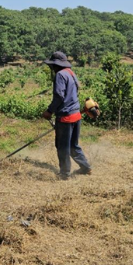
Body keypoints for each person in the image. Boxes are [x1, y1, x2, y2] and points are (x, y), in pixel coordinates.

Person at [40, 51, 91, 180]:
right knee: (73, 145)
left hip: (65, 117)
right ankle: (85, 167)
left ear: (56, 65)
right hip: (76, 115)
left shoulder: (60, 75)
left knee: (62, 146)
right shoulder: (71, 73)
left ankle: (64, 174)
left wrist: (49, 111)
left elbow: (59, 96)